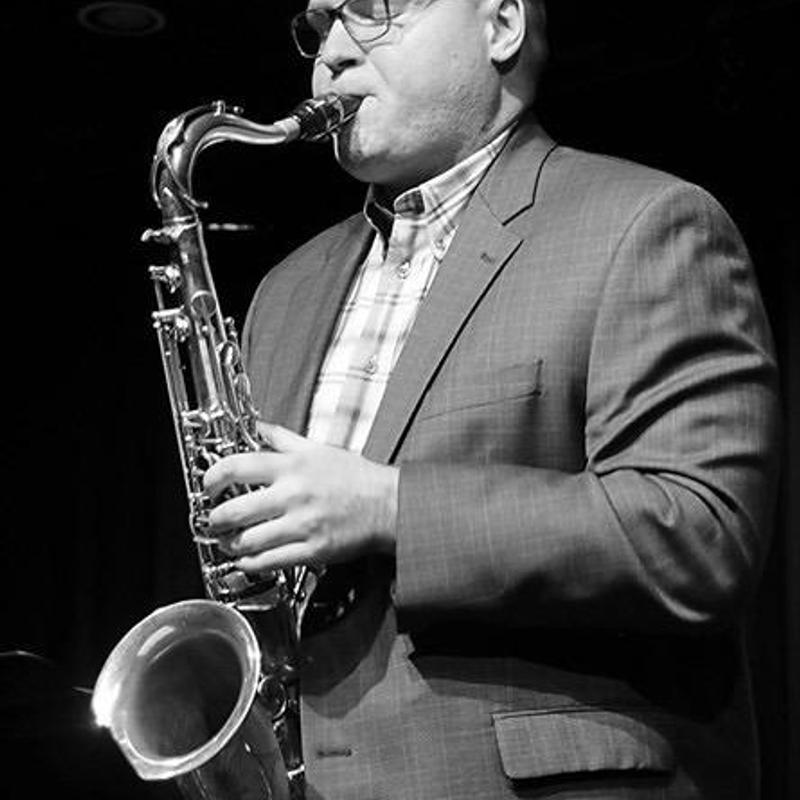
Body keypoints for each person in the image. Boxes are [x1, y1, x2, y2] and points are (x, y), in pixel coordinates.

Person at [203, 1, 780, 797]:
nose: (330, 54)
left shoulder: (647, 222)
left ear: (501, 24)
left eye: (370, 11)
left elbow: (700, 536)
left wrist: (389, 507)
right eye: (319, 25)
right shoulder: (284, 291)